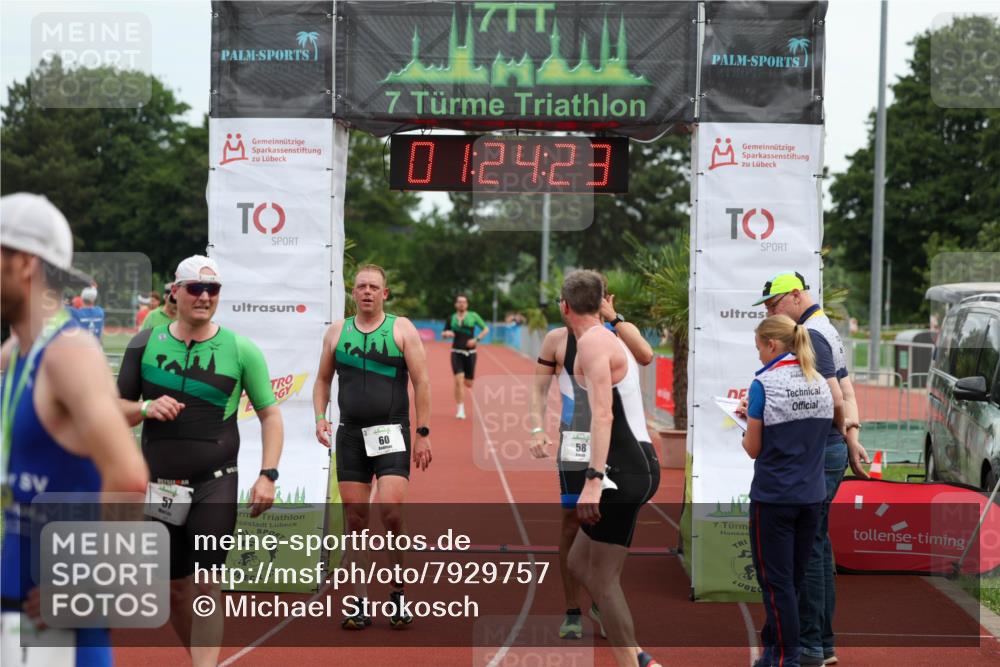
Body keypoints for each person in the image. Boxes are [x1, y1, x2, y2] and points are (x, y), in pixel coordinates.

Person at [1, 192, 148, 666]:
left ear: (23, 264)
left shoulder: (69, 355)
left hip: (55, 628)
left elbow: (129, 477)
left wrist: (82, 582)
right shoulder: (14, 355)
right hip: (15, 608)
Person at [116, 255, 283, 667]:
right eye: (196, 289)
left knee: (207, 583)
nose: (205, 297)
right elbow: (112, 408)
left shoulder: (241, 349)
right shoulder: (144, 344)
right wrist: (146, 408)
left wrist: (268, 475)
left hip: (216, 481)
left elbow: (270, 415)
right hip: (163, 487)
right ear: (176, 291)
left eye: (213, 290)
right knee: (173, 590)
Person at [750, 271, 868, 666]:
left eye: (773, 303)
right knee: (817, 547)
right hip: (829, 450)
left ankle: (812, 646)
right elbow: (845, 393)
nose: (771, 311)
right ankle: (821, 642)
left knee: (809, 555)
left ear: (796, 296)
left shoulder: (811, 335)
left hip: (816, 455)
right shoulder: (823, 329)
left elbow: (836, 396)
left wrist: (838, 438)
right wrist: (851, 440)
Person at [530, 286, 654, 640]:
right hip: (575, 440)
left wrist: (614, 317)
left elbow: (646, 354)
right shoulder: (556, 340)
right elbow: (539, 389)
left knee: (605, 527)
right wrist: (537, 428)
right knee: (571, 522)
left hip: (614, 447)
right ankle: (573, 609)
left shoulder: (612, 335)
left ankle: (602, 595)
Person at [313, 264, 432, 629]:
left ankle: (398, 592)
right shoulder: (337, 332)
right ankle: (360, 601)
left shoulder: (401, 328)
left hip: (391, 431)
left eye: (374, 287)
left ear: (385, 293)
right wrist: (320, 417)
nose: (367, 291)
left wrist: (423, 433)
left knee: (391, 513)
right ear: (353, 292)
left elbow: (422, 381)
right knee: (355, 519)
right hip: (350, 435)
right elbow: (321, 381)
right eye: (361, 286)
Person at [560, 270, 661, 667]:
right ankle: (638, 656)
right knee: (577, 562)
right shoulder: (610, 335)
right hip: (633, 463)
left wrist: (593, 480)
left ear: (565, 306)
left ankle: (632, 660)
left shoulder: (591, 344)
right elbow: (646, 356)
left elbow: (602, 415)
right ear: (600, 302)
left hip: (624, 469)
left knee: (602, 578)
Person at [742, 315, 834, 667]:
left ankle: (785, 659)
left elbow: (753, 447)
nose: (759, 357)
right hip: (811, 495)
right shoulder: (819, 381)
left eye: (759, 349)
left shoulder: (764, 383)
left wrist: (746, 424)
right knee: (792, 583)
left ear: (772, 345)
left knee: (776, 584)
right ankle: (773, 653)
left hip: (774, 497)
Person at [441, 294, 489, 419]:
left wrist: (476, 339)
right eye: (459, 302)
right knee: (458, 380)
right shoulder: (451, 318)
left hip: (471, 353)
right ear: (456, 304)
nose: (462, 304)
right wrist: (447, 333)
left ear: (467, 304)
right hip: (456, 352)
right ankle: (460, 409)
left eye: (464, 302)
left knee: (468, 383)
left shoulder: (473, 316)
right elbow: (443, 333)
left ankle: (468, 382)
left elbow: (485, 329)